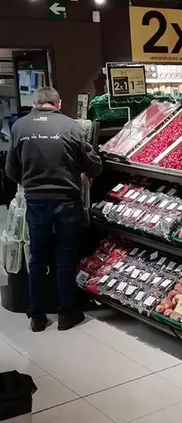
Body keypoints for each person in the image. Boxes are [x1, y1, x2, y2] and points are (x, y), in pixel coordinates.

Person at [5, 86, 102, 332]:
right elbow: (93, 165)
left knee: (37, 259)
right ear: (58, 104)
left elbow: (11, 170)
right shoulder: (72, 126)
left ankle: (37, 316)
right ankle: (66, 313)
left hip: (36, 201)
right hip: (66, 201)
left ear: (35, 103)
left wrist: (28, 182)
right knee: (65, 259)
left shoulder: (20, 127)